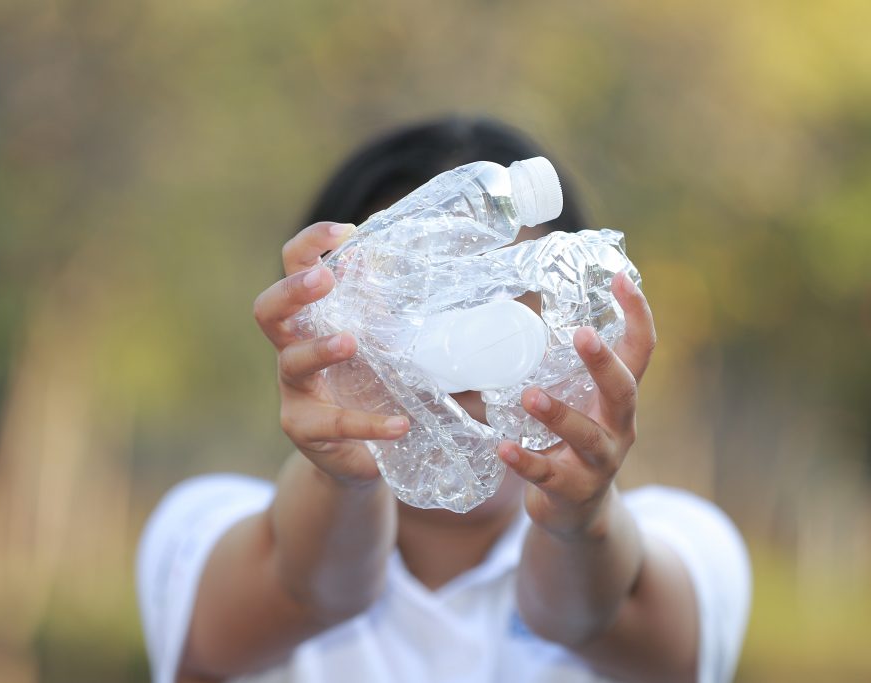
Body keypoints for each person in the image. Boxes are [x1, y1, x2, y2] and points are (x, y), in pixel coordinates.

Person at [136, 117, 751, 683]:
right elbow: (307, 591)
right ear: (316, 314)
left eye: (505, 296)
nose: (455, 347)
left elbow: (585, 617)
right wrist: (344, 475)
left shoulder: (692, 543)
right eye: (411, 298)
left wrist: (576, 516)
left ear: (580, 321)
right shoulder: (199, 526)